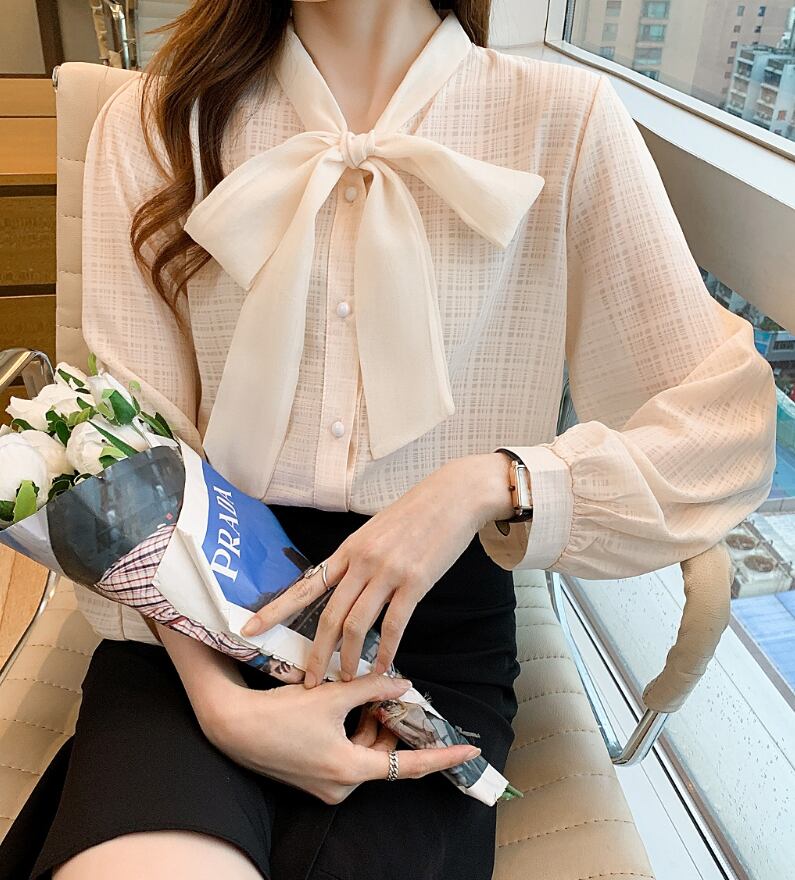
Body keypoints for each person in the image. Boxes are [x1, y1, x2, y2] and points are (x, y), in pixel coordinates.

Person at [1, 0, 776, 878]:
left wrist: (488, 482)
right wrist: (223, 709)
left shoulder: (565, 119)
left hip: (426, 633)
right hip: (199, 609)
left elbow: (723, 429)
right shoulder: (153, 119)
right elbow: (135, 447)